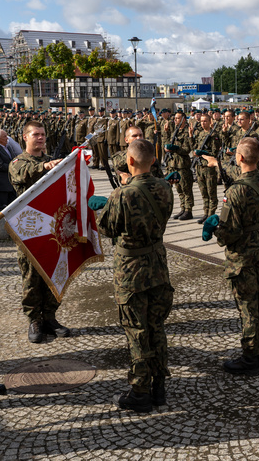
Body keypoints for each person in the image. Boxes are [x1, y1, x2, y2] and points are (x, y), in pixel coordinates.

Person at [93, 138, 174, 412]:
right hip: (158, 266)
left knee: (136, 330)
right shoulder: (165, 187)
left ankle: (140, 390)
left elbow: (106, 228)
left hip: (131, 271)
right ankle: (159, 385)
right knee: (156, 326)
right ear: (153, 160)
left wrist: (101, 208)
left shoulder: (122, 195)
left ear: (129, 162)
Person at [202, 137, 259, 375]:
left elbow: (229, 234)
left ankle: (251, 358)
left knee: (247, 307)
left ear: (239, 157)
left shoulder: (235, 191)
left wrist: (215, 229)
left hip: (243, 255)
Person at [9, 120, 69, 343]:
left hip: (52, 227)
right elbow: (21, 175)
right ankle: (34, 319)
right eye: (36, 134)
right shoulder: (18, 162)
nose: (41, 138)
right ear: (25, 137)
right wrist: (45, 167)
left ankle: (50, 316)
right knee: (32, 276)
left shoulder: (51, 161)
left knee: (52, 273)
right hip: (29, 228)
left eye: (43, 134)